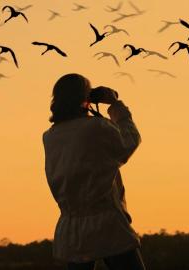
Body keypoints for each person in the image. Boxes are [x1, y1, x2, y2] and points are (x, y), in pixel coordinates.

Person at [42, 73, 145, 270]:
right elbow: (130, 140)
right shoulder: (96, 127)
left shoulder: (50, 137)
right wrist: (114, 104)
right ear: (84, 99)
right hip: (107, 226)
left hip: (71, 229)